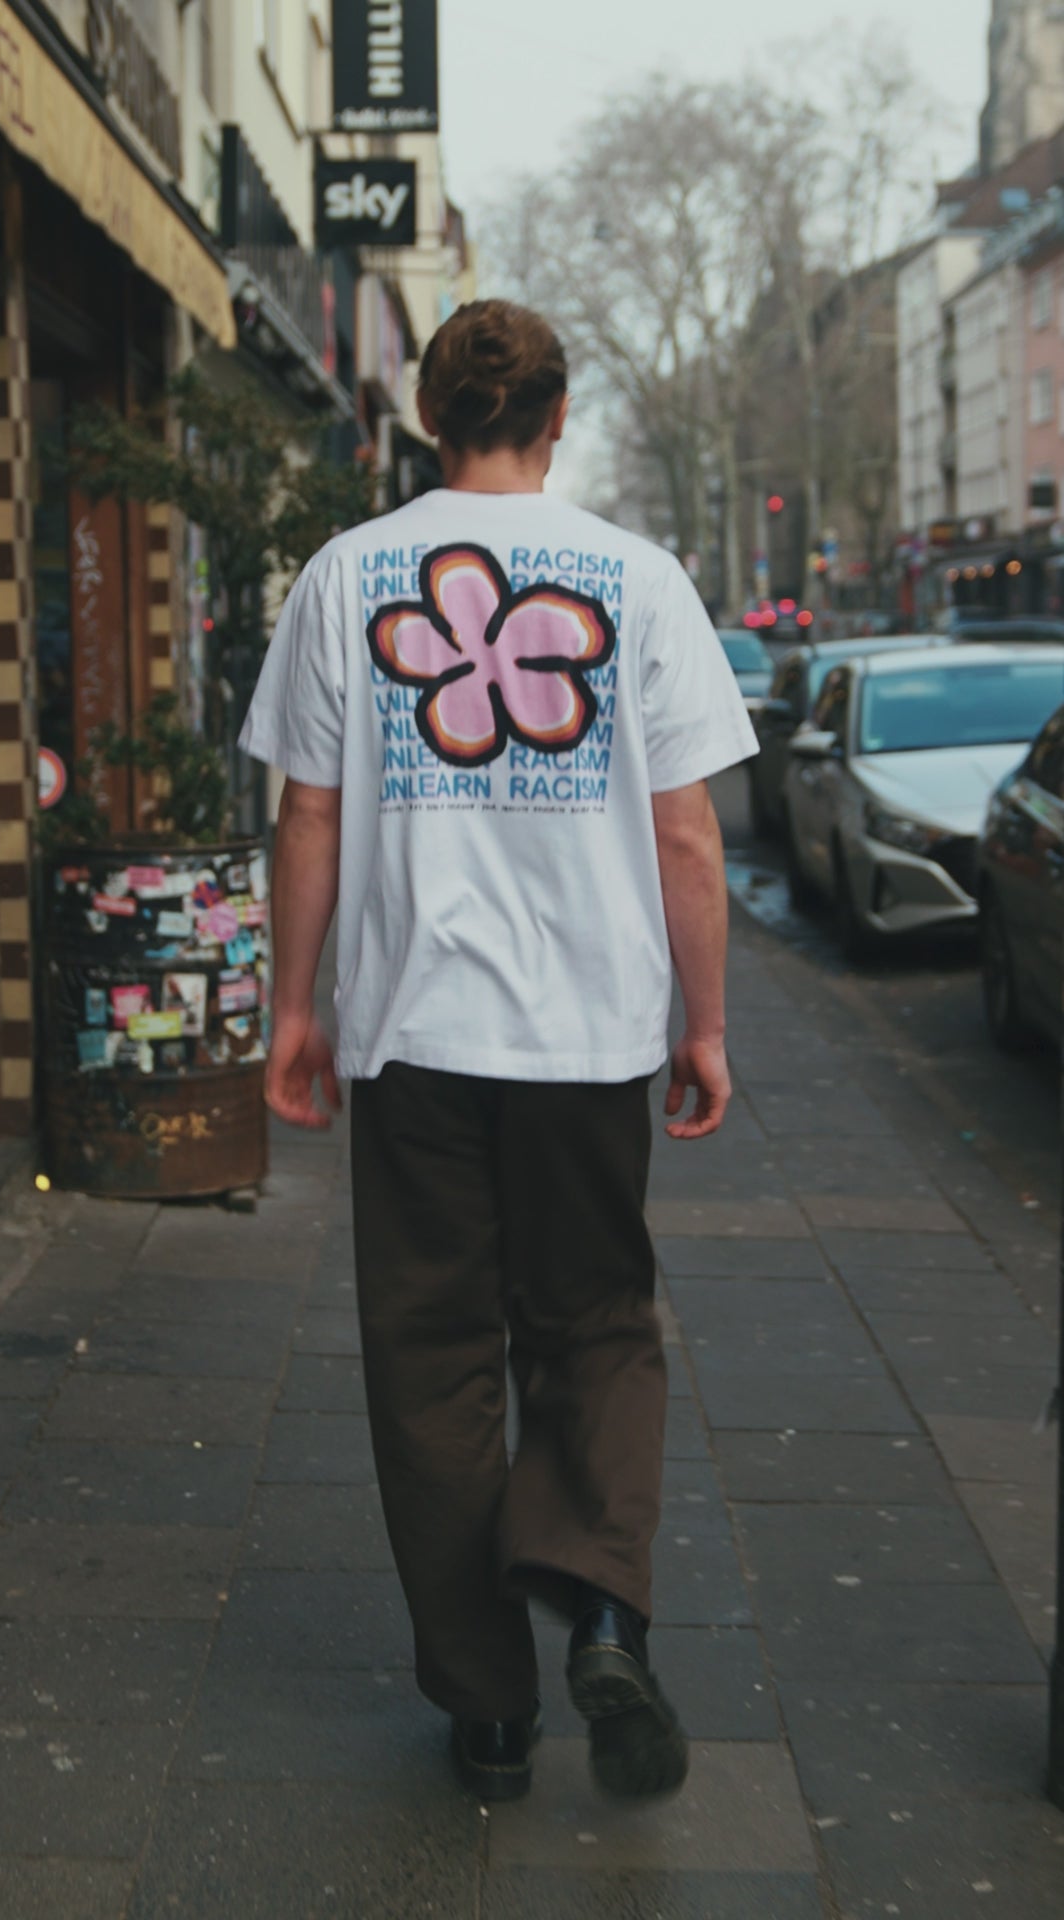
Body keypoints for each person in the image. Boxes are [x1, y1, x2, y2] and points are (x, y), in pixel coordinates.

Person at [240, 299, 758, 1804]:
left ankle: (485, 1704)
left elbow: (311, 812)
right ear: (557, 418)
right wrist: (704, 1024)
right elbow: (684, 828)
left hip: (415, 1032)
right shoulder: (638, 579)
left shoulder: (348, 576)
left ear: (426, 418)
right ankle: (602, 1600)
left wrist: (295, 1008)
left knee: (432, 1356)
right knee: (595, 1321)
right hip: (590, 1035)